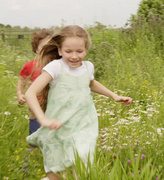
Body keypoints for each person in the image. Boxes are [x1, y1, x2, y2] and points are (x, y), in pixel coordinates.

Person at [25, 25, 132, 180]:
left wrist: (113, 96)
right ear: (60, 50)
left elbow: (90, 83)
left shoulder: (88, 67)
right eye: (68, 51)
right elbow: (30, 93)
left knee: (81, 163)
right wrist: (42, 119)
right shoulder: (56, 67)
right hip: (58, 126)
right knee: (55, 171)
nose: (74, 56)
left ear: (86, 50)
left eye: (79, 51)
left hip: (83, 125)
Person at [17, 28, 54, 140]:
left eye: (51, 47)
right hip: (36, 104)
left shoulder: (57, 65)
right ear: (37, 50)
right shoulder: (31, 65)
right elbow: (22, 79)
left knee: (52, 133)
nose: (47, 50)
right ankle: (34, 152)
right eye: (43, 47)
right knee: (35, 135)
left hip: (53, 104)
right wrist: (19, 93)